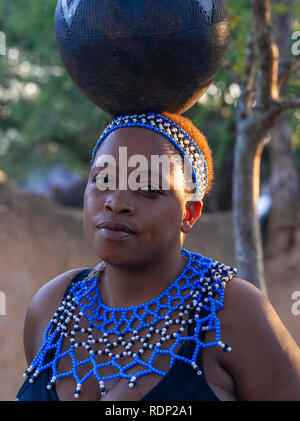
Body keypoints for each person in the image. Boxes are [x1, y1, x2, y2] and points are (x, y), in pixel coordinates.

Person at [16, 112, 300, 401]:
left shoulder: (230, 312)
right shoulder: (52, 306)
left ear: (188, 214)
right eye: (103, 180)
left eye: (149, 189)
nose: (116, 202)